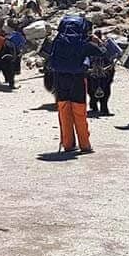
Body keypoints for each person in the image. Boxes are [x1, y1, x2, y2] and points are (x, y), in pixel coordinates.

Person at [48, 15, 106, 154]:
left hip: (60, 80)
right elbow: (102, 52)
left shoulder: (58, 41)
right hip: (77, 80)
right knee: (79, 112)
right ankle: (85, 145)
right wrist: (96, 42)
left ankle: (68, 144)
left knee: (64, 111)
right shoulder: (83, 43)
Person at [86, 32, 116, 117]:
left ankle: (103, 105)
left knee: (106, 87)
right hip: (93, 71)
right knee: (91, 87)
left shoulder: (104, 47)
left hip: (103, 71)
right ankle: (94, 103)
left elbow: (110, 59)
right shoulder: (88, 47)